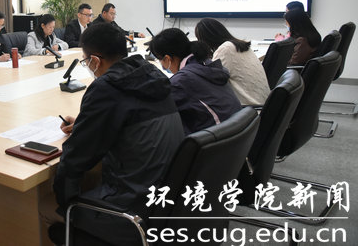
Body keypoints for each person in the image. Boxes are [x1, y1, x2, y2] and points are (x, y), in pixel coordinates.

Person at [52, 23, 184, 244]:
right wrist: (87, 124)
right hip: (167, 200)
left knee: (47, 208)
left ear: (95, 60)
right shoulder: (151, 74)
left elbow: (74, 160)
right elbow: (131, 117)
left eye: (85, 61)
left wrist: (67, 206)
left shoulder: (106, 88)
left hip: (133, 211)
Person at [149, 28, 242, 135]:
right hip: (236, 132)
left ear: (167, 59)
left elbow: (157, 109)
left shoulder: (181, 81)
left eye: (159, 59)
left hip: (218, 137)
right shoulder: (207, 64)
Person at [195, 18, 270, 106]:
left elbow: (211, 84)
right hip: (263, 105)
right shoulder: (240, 45)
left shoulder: (225, 49)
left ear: (206, 39)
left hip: (249, 109)